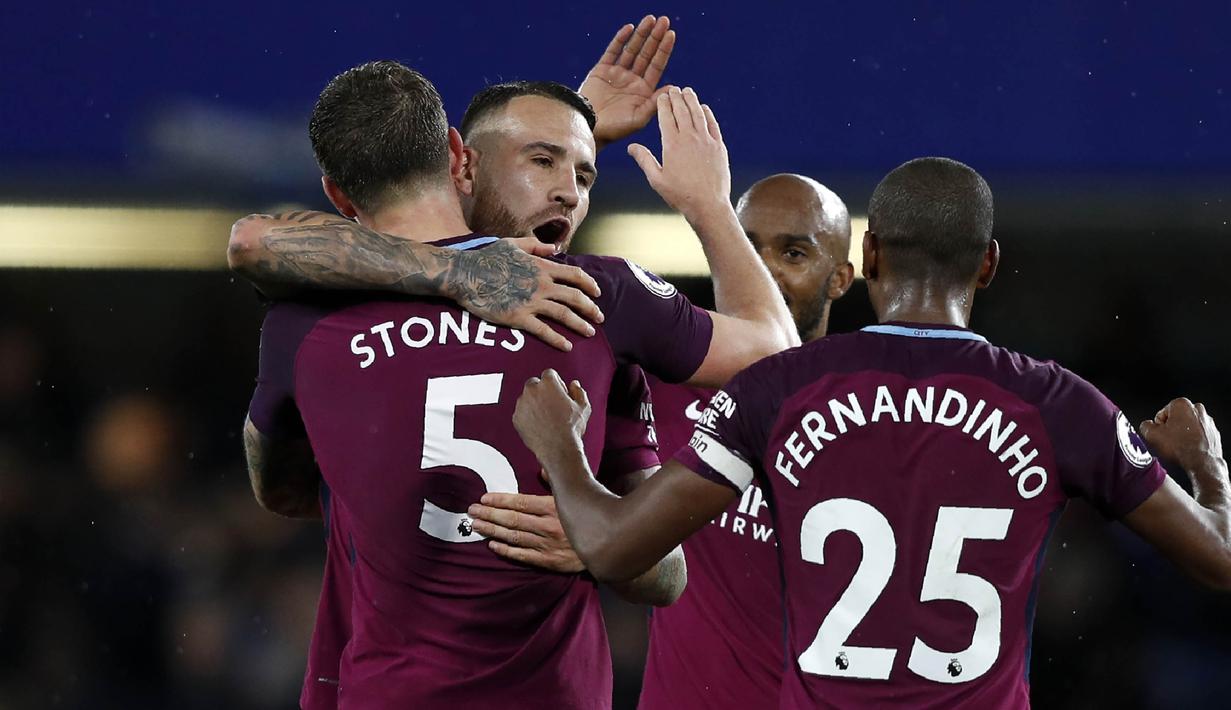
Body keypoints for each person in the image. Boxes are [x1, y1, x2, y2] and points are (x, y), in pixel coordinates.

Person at [510, 156, 1231, 708]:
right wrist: (1208, 468)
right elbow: (1220, 560)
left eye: (790, 251)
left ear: (869, 258)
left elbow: (611, 548)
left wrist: (562, 452)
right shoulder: (1058, 404)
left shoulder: (779, 389)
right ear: (986, 265)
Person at [244, 61, 796, 710]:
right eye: (542, 162)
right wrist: (706, 202)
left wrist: (601, 537)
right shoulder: (597, 303)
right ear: (459, 158)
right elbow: (773, 350)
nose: (568, 191)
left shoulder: (304, 320)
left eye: (583, 174)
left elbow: (280, 489)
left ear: (337, 194)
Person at [639, 173, 854, 709]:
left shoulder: (872, 423)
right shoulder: (663, 387)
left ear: (841, 279)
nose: (763, 270)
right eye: (746, 245)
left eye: (794, 253)